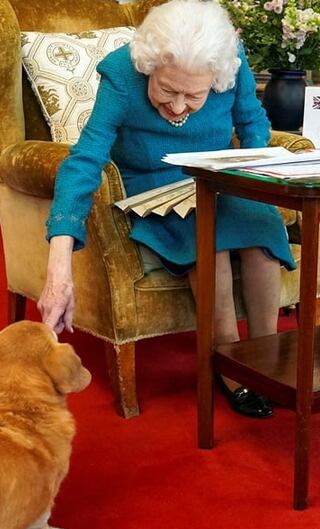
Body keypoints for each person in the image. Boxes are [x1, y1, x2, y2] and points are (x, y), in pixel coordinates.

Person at [39, 0, 291, 419]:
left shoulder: (231, 60)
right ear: (149, 66)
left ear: (216, 77)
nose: (178, 107)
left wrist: (253, 171)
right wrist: (59, 261)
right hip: (153, 184)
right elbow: (84, 160)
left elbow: (252, 123)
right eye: (166, 90)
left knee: (261, 234)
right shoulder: (121, 73)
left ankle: (266, 357)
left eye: (194, 95)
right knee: (211, 246)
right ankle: (228, 365)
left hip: (220, 177)